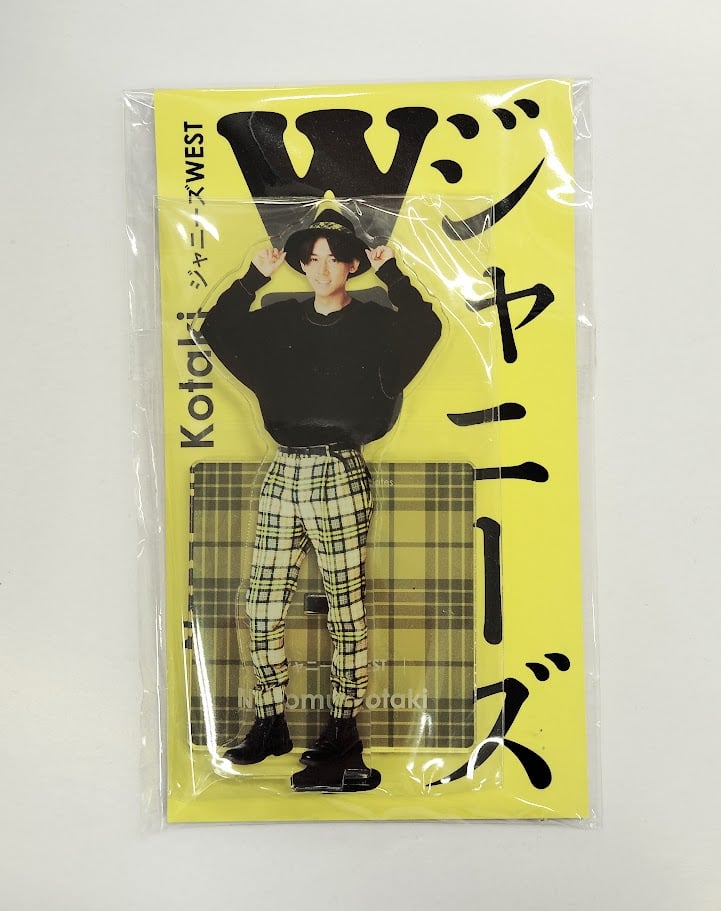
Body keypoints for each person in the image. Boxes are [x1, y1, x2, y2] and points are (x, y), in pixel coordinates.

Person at [201, 208, 441, 766]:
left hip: (340, 469)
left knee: (344, 607)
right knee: (261, 604)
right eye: (312, 259)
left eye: (334, 258)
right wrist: (253, 278)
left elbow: (427, 327)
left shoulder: (375, 323)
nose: (322, 268)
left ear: (352, 264)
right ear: (302, 265)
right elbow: (216, 329)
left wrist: (393, 273)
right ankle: (269, 723)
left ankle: (343, 728)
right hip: (284, 468)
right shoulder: (279, 320)